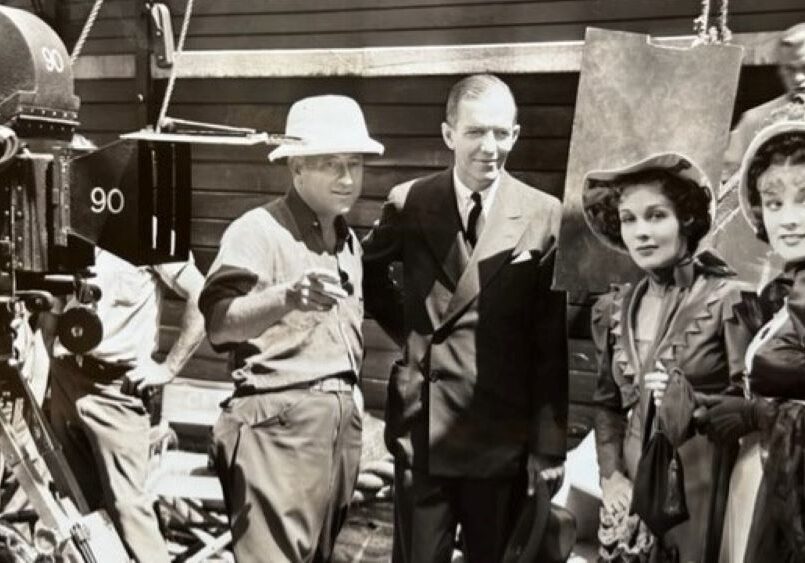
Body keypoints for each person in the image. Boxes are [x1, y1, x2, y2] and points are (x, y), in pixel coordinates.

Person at [362, 74, 568, 563]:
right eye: (475, 132)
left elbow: (549, 343)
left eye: (501, 132)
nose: (489, 147)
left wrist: (549, 445)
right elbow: (369, 275)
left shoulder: (543, 214)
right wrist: (416, 338)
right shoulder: (409, 202)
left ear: (515, 135)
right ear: (449, 134)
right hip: (424, 430)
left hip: (500, 435)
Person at [198, 94, 382, 563]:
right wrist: (285, 297)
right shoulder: (258, 230)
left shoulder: (347, 242)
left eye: (355, 164)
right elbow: (219, 324)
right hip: (276, 429)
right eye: (330, 164)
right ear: (296, 167)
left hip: (336, 430)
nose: (347, 178)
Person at [583, 153, 757, 562]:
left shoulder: (729, 300)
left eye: (656, 215)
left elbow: (752, 410)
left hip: (702, 485)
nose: (641, 232)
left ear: (687, 220)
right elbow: (607, 404)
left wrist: (693, 406)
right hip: (631, 494)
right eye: (629, 219)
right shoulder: (615, 309)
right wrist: (610, 477)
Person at [48, 247, 206, 562]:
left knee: (130, 512)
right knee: (80, 510)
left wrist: (168, 368)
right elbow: (51, 313)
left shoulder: (145, 233)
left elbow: (202, 296)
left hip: (117, 390)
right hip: (66, 380)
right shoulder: (67, 225)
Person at [703, 120, 805, 563]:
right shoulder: (787, 293)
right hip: (767, 480)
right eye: (774, 202)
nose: (789, 217)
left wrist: (756, 413)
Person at [722, 22, 805, 179]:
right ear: (780, 70)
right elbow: (731, 181)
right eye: (790, 69)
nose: (798, 78)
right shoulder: (754, 121)